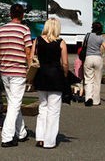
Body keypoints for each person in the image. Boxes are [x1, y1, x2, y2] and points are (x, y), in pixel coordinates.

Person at [0, 3, 32, 148]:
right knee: (15, 104)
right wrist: (30, 69)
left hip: (5, 70)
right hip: (18, 71)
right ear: (22, 15)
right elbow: (28, 52)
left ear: (10, 14)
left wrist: (4, 62)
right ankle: (7, 137)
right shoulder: (24, 29)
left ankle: (21, 132)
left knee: (13, 102)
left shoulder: (1, 30)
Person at [31, 19, 69, 149]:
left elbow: (32, 59)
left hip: (41, 75)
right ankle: (49, 141)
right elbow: (65, 63)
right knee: (53, 110)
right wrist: (65, 75)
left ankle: (40, 137)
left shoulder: (37, 40)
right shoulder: (61, 42)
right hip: (56, 76)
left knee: (43, 108)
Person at [83, 21, 105, 107]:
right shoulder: (101, 37)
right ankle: (96, 100)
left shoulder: (87, 36)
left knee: (88, 79)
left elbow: (83, 46)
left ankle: (88, 98)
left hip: (88, 58)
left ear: (92, 27)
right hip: (98, 58)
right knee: (97, 80)